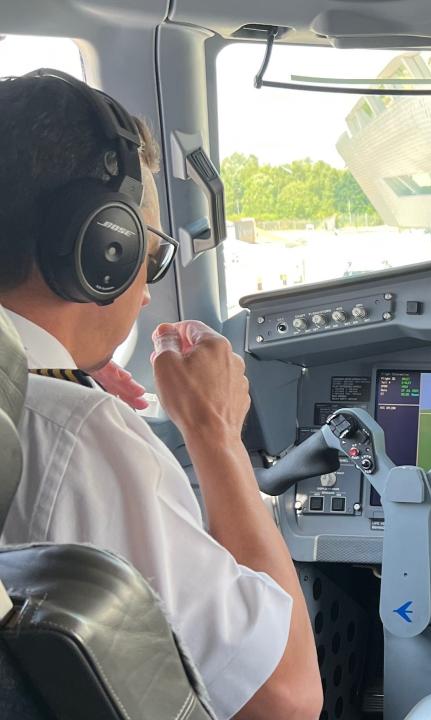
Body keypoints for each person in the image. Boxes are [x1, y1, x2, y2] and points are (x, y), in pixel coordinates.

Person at [0, 71, 323, 719]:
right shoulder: (76, 433)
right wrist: (216, 434)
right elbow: (284, 700)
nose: (147, 291)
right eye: (151, 256)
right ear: (103, 248)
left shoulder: (41, 409)